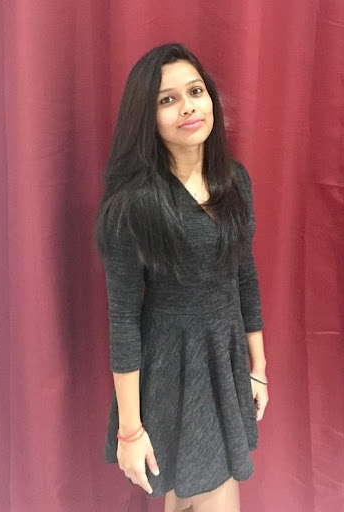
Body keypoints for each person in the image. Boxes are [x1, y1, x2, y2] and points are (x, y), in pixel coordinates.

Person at [95, 42, 269, 512]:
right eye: (167, 99)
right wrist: (130, 430)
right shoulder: (133, 205)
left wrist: (258, 369)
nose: (188, 106)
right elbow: (123, 320)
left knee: (191, 493)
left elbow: (245, 276)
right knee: (209, 492)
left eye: (195, 91)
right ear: (146, 117)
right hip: (171, 366)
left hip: (225, 359)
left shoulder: (235, 181)